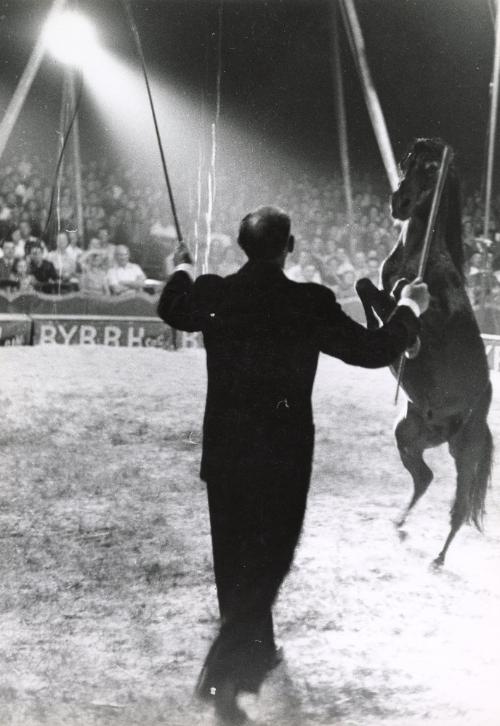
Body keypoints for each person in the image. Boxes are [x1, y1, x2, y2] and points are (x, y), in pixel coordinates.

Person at [157, 206, 429, 724]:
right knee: (270, 560)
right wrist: (410, 309)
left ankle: (257, 648)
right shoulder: (308, 302)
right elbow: (372, 351)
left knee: (234, 556)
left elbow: (172, 306)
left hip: (227, 450)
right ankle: (224, 671)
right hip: (282, 455)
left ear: (243, 246)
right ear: (291, 246)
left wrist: (182, 269)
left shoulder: (215, 293)